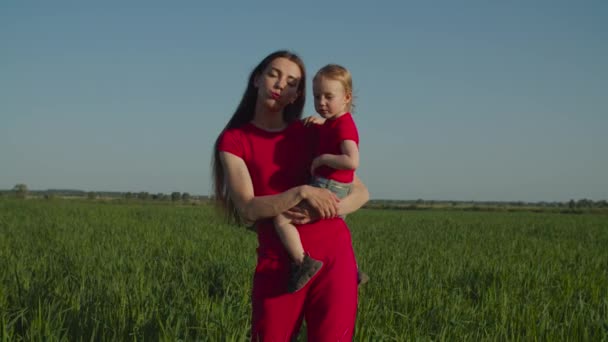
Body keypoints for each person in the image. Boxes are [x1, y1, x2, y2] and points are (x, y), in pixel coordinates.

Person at [212, 50, 369, 341]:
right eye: (274, 74)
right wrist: (301, 192)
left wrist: (328, 208)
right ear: (257, 79)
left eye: (292, 82)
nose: (281, 84)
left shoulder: (312, 133)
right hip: (282, 267)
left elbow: (361, 191)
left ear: (297, 94)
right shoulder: (234, 140)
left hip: (336, 259)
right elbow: (247, 208)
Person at [273, 64, 364, 293]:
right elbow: (334, 129)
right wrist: (322, 123)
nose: (321, 102)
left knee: (282, 217)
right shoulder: (336, 122)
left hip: (329, 185)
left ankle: (302, 262)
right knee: (336, 232)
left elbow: (352, 161)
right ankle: (353, 270)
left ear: (346, 97)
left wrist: (323, 159)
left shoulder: (344, 126)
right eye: (316, 96)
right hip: (337, 186)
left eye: (328, 96)